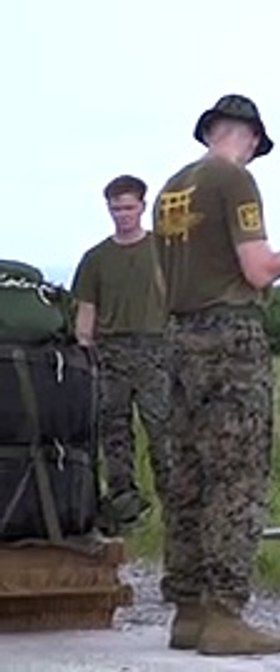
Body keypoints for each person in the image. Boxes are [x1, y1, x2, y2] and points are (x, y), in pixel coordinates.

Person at [152, 93, 280, 656]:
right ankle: (226, 614)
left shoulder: (169, 190)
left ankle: (188, 610)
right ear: (248, 136)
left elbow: (163, 282)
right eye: (255, 144)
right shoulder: (234, 182)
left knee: (188, 478)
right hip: (231, 341)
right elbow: (258, 268)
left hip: (178, 339)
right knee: (237, 477)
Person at [70, 174, 172, 535]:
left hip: (155, 349)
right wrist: (84, 353)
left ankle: (176, 510)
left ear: (143, 207)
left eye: (129, 207)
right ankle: (124, 507)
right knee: (113, 434)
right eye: (116, 209)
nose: (122, 215)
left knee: (164, 431)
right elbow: (86, 311)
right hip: (110, 352)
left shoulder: (164, 249)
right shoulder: (96, 258)